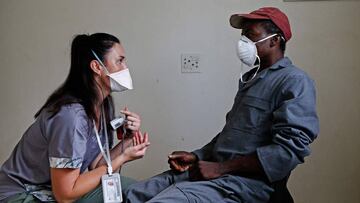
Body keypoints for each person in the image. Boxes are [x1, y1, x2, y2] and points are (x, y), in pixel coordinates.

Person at [124, 7, 319, 203]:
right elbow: (231, 137)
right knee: (131, 195)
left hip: (245, 184)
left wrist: (222, 168)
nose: (244, 43)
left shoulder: (294, 81)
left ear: (274, 40)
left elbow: (288, 152)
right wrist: (196, 157)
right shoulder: (251, 79)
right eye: (243, 36)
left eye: (251, 36)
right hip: (215, 172)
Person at [0, 33, 150, 202]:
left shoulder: (102, 106)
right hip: (22, 195)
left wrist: (128, 140)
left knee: (137, 191)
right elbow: (64, 195)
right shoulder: (71, 116)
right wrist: (122, 158)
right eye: (120, 61)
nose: (125, 67)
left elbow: (98, 165)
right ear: (97, 67)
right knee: (130, 195)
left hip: (54, 192)